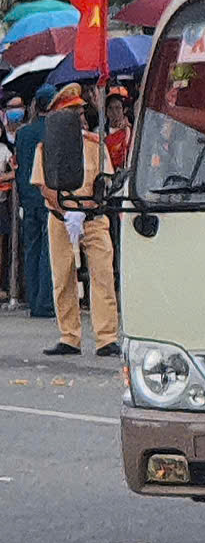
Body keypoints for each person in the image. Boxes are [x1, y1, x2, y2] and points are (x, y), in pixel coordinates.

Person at [30, 84, 120, 357]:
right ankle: (69, 336)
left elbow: (104, 181)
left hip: (92, 217)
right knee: (63, 276)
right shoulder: (46, 148)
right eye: (72, 113)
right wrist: (68, 212)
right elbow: (44, 186)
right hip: (61, 217)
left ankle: (106, 337)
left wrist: (84, 209)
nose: (79, 118)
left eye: (80, 112)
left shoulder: (95, 144)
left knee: (102, 274)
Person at [15, 85, 55, 319]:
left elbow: (20, 166)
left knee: (31, 249)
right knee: (47, 250)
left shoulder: (23, 133)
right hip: (47, 195)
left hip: (27, 197)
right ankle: (45, 301)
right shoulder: (52, 130)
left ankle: (33, 299)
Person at [0, 94, 24, 301]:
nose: (17, 111)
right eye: (12, 107)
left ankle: (15, 286)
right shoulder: (3, 143)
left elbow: (17, 169)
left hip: (15, 200)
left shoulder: (24, 135)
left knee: (13, 243)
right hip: (5, 201)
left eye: (20, 107)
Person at [104, 86, 132, 172]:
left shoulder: (129, 131)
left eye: (118, 108)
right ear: (106, 111)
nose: (114, 112)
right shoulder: (100, 132)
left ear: (124, 110)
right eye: (110, 108)